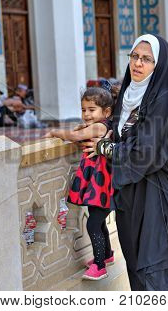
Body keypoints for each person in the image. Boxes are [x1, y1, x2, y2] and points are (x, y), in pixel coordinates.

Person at [82, 34, 168, 290]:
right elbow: (123, 127)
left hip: (156, 195)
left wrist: (104, 147)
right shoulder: (129, 92)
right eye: (134, 56)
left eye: (146, 59)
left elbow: (146, 150)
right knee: (135, 263)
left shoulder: (163, 97)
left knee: (156, 267)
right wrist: (106, 128)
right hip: (130, 196)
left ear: (158, 64)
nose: (138, 64)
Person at [45, 87, 114, 281]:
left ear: (106, 112)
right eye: (84, 109)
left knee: (93, 224)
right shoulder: (99, 126)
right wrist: (79, 130)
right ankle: (107, 254)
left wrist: (55, 132)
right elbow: (79, 134)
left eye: (92, 109)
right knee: (97, 220)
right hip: (98, 185)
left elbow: (75, 137)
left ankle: (100, 266)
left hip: (104, 187)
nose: (86, 114)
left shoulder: (101, 126)